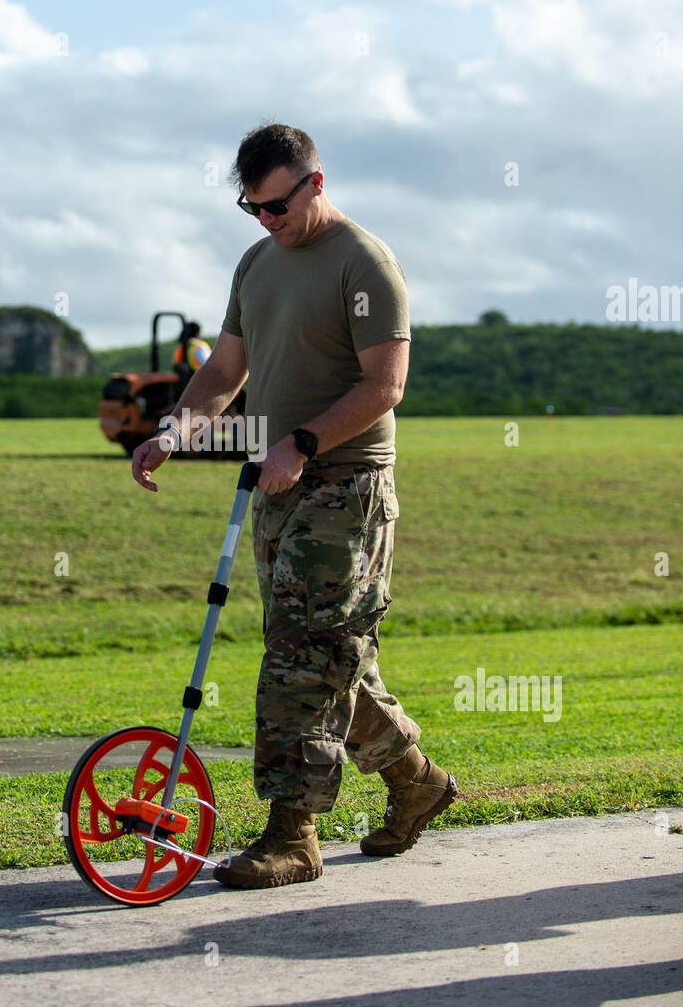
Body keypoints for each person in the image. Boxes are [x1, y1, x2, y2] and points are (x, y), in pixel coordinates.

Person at [131, 122, 458, 889]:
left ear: (315, 182)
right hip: (277, 486)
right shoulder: (257, 263)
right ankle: (416, 780)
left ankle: (293, 835)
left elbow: (385, 387)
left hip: (344, 486)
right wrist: (173, 433)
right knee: (324, 653)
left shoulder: (365, 263)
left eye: (276, 207)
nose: (267, 222)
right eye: (252, 210)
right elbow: (225, 371)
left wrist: (302, 444)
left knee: (299, 659)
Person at [171, 321, 211, 388]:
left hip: (181, 386)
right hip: (199, 382)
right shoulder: (199, 346)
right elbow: (210, 365)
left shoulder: (180, 348)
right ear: (198, 332)